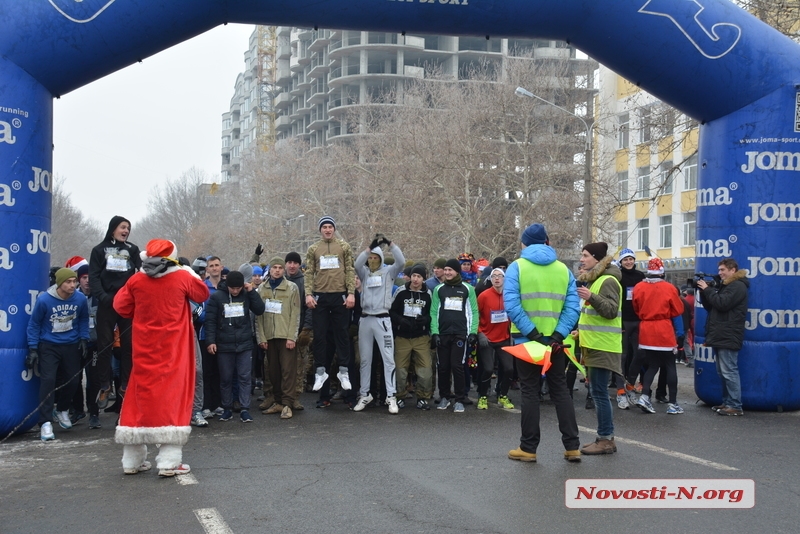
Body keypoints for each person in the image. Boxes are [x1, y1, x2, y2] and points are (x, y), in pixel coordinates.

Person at [113, 239, 210, 476]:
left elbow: (121, 306)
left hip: (144, 350)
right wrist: (187, 271)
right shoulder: (182, 278)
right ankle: (168, 462)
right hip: (174, 351)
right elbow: (202, 293)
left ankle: (131, 461)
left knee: (138, 400)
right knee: (173, 400)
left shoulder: (136, 280)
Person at [504, 224, 581, 463]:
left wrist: (533, 333)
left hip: (528, 342)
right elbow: (572, 307)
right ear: (546, 242)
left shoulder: (517, 267)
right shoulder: (564, 270)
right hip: (558, 343)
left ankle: (528, 448)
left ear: (524, 243)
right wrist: (557, 335)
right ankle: (572, 447)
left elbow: (512, 305)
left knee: (530, 391)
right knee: (560, 390)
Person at [27, 268, 90, 441]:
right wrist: (33, 348)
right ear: (59, 283)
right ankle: (45, 422)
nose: (72, 285)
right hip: (49, 345)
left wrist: (84, 338)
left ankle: (62, 409)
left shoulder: (80, 299)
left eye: (74, 281)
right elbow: (34, 324)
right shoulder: (45, 300)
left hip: (71, 344)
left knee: (74, 380)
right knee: (48, 381)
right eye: (68, 282)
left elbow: (83, 319)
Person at [88, 216, 141, 413]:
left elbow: (141, 271)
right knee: (105, 344)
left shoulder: (132, 249)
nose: (126, 230)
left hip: (127, 302)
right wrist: (103, 297)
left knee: (128, 344)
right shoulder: (99, 250)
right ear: (113, 229)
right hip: (107, 301)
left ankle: (125, 385)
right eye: (122, 227)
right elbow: (93, 277)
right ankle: (105, 385)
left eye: (128, 227)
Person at [576, 242, 623, 455]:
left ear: (596, 258)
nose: (581, 259)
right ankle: (603, 436)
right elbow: (593, 317)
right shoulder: (597, 280)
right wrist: (580, 332)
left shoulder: (608, 280)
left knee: (600, 393)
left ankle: (606, 439)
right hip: (594, 344)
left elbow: (611, 311)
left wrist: (590, 297)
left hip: (603, 346)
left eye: (585, 255)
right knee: (597, 392)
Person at [351, 235, 405, 413]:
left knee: (388, 359)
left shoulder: (388, 272)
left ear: (381, 259)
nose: (373, 260)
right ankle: (365, 393)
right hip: (365, 319)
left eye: (376, 257)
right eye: (371, 258)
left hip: (382, 320)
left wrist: (390, 244)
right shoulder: (364, 273)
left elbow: (401, 261)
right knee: (365, 360)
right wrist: (369, 248)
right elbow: (357, 264)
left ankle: (391, 396)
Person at [205, 270, 265, 423]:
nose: (236, 291)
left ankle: (245, 408)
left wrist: (252, 293)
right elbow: (210, 321)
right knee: (226, 378)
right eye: (233, 288)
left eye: (238, 288)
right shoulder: (217, 297)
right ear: (228, 286)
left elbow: (260, 309)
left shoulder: (246, 294)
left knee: (245, 377)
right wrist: (210, 341)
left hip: (244, 344)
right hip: (224, 345)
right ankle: (227, 408)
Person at [305, 216, 355, 392]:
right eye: (324, 227)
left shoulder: (343, 247)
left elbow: (350, 269)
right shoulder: (313, 249)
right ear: (320, 230)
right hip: (320, 297)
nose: (327, 230)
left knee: (341, 334)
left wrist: (351, 293)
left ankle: (344, 371)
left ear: (334, 229)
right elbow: (309, 272)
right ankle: (320, 371)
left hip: (340, 296)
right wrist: (308, 294)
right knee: (319, 335)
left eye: (330, 227)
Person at [631, 258, 685, 415]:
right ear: (662, 272)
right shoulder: (669, 288)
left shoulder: (639, 287)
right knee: (669, 365)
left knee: (652, 365)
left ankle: (645, 396)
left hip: (646, 329)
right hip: (663, 329)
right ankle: (673, 403)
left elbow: (636, 307)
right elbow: (678, 309)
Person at [697, 258, 749, 416]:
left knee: (729, 371)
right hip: (722, 334)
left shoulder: (738, 286)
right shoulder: (727, 286)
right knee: (722, 371)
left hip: (729, 334)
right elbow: (712, 306)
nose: (719, 273)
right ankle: (727, 402)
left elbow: (722, 303)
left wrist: (708, 289)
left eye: (722, 270)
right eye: (719, 270)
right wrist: (704, 293)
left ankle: (735, 405)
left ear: (732, 270)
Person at [430, 258, 479, 413]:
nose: (447, 273)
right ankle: (444, 396)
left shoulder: (467, 289)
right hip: (443, 334)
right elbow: (434, 312)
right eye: (445, 270)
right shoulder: (439, 289)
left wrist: (473, 332)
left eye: (450, 270)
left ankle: (459, 398)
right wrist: (434, 332)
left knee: (457, 365)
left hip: (460, 334)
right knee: (443, 366)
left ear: (457, 271)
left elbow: (473, 312)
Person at [256, 257, 301, 419]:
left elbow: (295, 314)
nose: (277, 270)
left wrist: (292, 337)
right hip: (269, 336)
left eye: (280, 268)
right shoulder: (262, 288)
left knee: (288, 371)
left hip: (285, 336)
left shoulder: (291, 288)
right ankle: (278, 401)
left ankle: (288, 404)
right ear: (270, 269)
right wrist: (261, 337)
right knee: (273, 371)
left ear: (284, 270)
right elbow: (258, 316)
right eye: (274, 267)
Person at [390, 263, 433, 410]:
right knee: (400, 370)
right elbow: (392, 311)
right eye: (414, 276)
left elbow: (432, 313)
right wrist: (400, 320)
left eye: (419, 277)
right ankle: (399, 396)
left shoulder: (428, 293)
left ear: (423, 279)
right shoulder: (401, 291)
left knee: (425, 370)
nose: (415, 279)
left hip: (421, 337)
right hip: (403, 336)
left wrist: (426, 320)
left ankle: (423, 397)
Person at [476, 268, 514, 410]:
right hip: (487, 338)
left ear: (504, 279)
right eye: (494, 276)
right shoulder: (484, 296)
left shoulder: (509, 296)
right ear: (490, 279)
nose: (497, 279)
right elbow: (475, 315)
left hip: (504, 338)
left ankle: (503, 395)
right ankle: (482, 396)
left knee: (509, 369)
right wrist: (480, 333)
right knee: (487, 369)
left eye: (500, 276)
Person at [616, 248, 644, 409]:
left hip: (638, 320)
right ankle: (620, 391)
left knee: (641, 353)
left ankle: (630, 384)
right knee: (622, 357)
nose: (628, 262)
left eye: (631, 259)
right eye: (625, 259)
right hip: (623, 320)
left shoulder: (640, 276)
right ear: (621, 262)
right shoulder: (618, 276)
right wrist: (618, 322)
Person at [285, 251, 312, 409]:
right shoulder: (281, 280)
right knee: (284, 367)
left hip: (300, 328)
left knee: (299, 365)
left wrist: (307, 328)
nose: (292, 265)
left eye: (295, 263)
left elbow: (310, 307)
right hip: (284, 330)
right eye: (290, 262)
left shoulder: (305, 282)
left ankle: (295, 396)